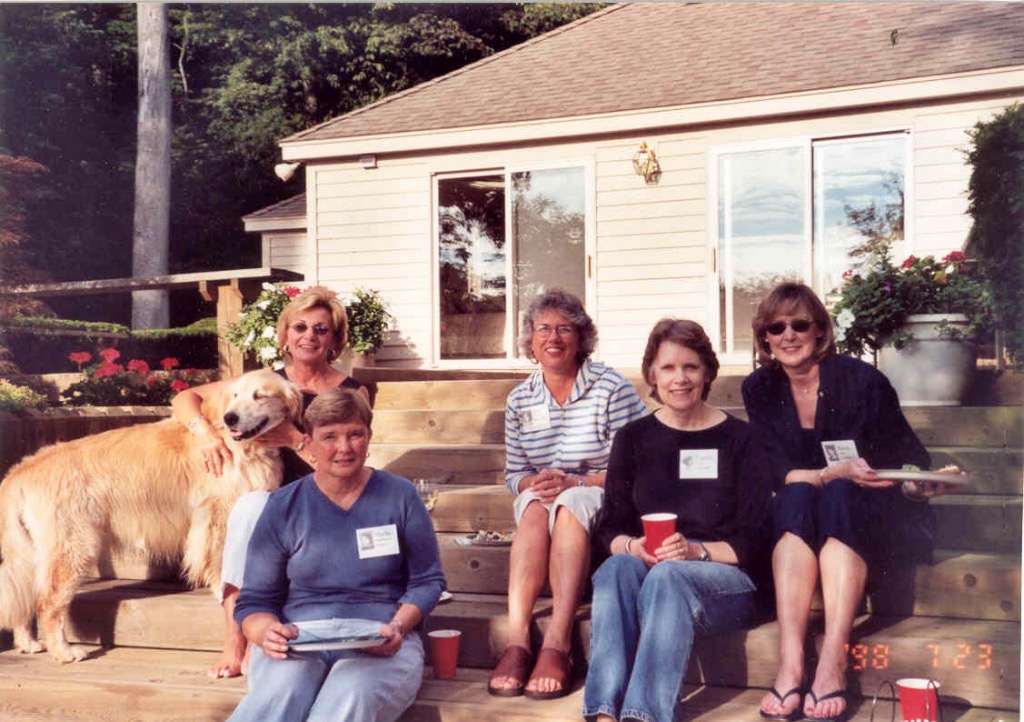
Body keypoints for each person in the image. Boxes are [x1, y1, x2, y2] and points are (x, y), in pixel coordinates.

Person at [743, 282, 946, 722]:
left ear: (820, 331)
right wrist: (828, 473)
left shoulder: (861, 379)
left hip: (871, 513)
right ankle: (792, 660)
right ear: (765, 338)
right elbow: (773, 471)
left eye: (800, 324)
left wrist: (915, 484)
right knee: (800, 492)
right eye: (777, 327)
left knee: (837, 492)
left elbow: (910, 460)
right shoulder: (759, 387)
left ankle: (834, 655)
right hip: (800, 515)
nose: (789, 335)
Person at [171, 286, 368, 679]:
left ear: (334, 340)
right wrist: (205, 433)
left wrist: (294, 440)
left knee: (253, 511)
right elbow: (184, 398)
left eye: (321, 329)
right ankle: (235, 640)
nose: (309, 335)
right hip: (268, 498)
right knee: (248, 510)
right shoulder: (262, 382)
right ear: (285, 336)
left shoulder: (351, 392)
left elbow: (349, 463)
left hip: (323, 501)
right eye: (300, 327)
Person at [582, 318, 772, 722]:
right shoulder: (633, 438)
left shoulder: (743, 440)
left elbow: (754, 540)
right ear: (652, 373)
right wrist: (633, 547)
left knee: (671, 576)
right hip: (650, 575)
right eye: (668, 368)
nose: (679, 379)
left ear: (707, 372)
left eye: (690, 367)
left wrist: (694, 551)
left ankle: (642, 715)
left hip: (728, 582)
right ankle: (602, 711)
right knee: (617, 567)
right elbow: (610, 527)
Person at [226, 387, 445, 722]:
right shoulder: (282, 506)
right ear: (309, 442)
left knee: (348, 696)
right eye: (329, 437)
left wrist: (399, 625)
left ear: (370, 438)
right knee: (279, 696)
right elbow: (255, 601)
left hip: (381, 639)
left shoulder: (400, 496)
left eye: (355, 435)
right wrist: (264, 632)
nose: (344, 448)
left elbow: (428, 581)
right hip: (299, 638)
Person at [488, 290, 649, 700]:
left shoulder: (609, 386)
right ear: (531, 338)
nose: (553, 338)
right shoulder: (521, 398)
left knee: (570, 504)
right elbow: (514, 475)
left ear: (581, 337)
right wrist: (532, 484)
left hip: (599, 492)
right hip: (545, 498)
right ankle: (519, 639)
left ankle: (558, 640)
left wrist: (575, 484)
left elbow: (638, 465)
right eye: (544, 329)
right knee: (535, 510)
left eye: (565, 329)